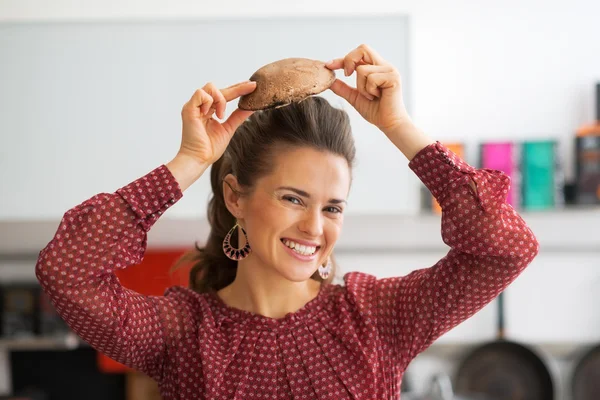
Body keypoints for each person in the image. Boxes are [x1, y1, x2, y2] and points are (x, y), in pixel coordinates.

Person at [35, 44, 539, 399]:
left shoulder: (379, 319)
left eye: (332, 207)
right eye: (293, 199)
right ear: (236, 197)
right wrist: (189, 160)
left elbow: (507, 248)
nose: (314, 228)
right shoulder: (182, 334)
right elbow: (67, 270)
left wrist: (397, 126)